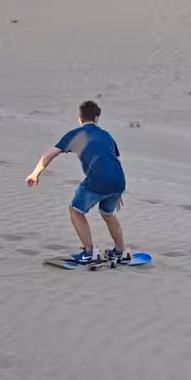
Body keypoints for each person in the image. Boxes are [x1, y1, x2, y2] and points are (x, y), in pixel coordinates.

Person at [26, 101, 126, 264]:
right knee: (108, 213)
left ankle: (89, 253)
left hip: (98, 181)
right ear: (97, 118)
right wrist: (117, 190)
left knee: (76, 211)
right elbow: (112, 160)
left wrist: (35, 174)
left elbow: (50, 154)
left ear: (80, 118)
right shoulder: (107, 135)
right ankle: (119, 251)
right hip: (118, 181)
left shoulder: (77, 135)